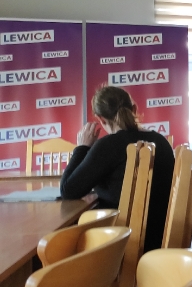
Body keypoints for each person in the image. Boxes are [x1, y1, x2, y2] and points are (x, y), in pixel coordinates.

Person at [60, 86, 175, 251]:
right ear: (134, 109)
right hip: (162, 234)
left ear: (101, 119)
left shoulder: (108, 146)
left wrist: (82, 147)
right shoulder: (160, 141)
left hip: (122, 239)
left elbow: (68, 190)